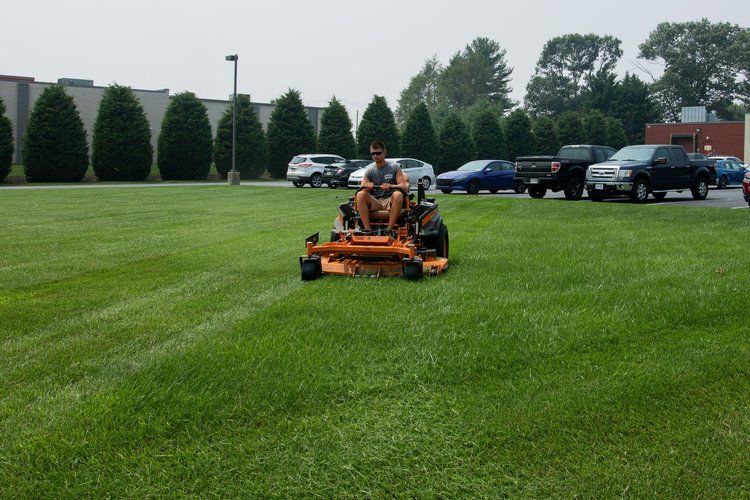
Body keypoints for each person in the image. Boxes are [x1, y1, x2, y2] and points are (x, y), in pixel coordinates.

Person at [356, 141, 409, 233]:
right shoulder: (369, 171)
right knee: (360, 194)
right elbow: (361, 187)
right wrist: (366, 186)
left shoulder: (395, 167)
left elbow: (404, 187)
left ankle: (389, 229)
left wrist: (390, 186)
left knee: (398, 194)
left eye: (378, 153)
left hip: (390, 200)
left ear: (384, 152)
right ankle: (367, 230)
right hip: (375, 201)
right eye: (373, 154)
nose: (375, 156)